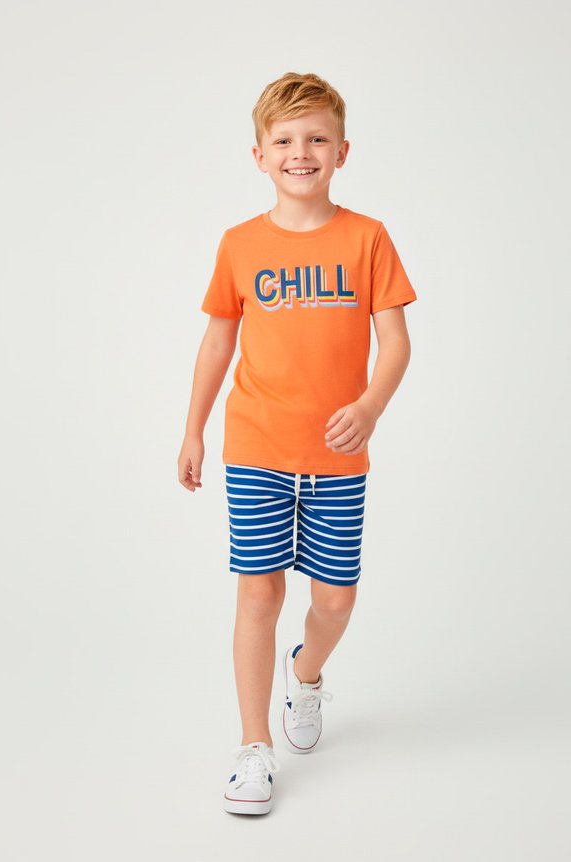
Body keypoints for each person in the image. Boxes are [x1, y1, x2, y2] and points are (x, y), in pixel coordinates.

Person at [178, 71, 417, 815]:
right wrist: (193, 429)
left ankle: (305, 675)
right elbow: (218, 343)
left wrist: (370, 406)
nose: (300, 152)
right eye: (284, 140)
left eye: (316, 138)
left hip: (339, 455)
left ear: (342, 151)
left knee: (335, 601)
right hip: (256, 445)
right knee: (259, 592)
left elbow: (396, 341)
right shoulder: (239, 244)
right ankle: (255, 747)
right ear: (259, 155)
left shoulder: (368, 238)